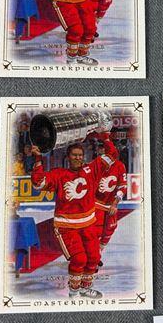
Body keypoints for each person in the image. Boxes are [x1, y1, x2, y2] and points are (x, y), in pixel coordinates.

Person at [30, 126, 117, 298]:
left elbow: (112, 155)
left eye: (80, 155)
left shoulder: (92, 169)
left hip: (88, 223)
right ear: (68, 157)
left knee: (94, 258)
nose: (77, 158)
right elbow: (38, 183)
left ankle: (85, 288)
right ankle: (74, 292)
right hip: (66, 226)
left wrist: (106, 137)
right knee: (79, 259)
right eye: (74, 155)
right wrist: (38, 158)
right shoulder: (59, 174)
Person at [92, 144, 127, 263]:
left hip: (111, 203)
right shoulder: (94, 165)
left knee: (111, 227)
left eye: (105, 154)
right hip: (96, 203)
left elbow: (122, 186)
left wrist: (115, 203)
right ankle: (94, 257)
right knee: (95, 230)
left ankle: (98, 251)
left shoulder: (119, 166)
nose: (103, 157)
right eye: (100, 154)